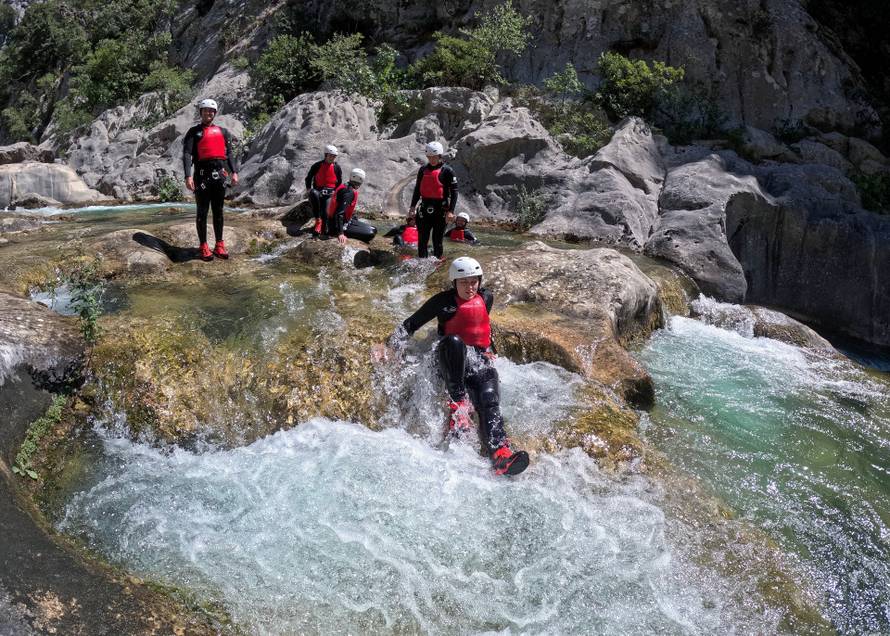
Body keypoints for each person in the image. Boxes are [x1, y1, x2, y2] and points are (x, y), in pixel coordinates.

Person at [382, 256, 529, 476]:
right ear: (454, 283)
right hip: (449, 360)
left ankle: (501, 454)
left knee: (489, 399)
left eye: (474, 282)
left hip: (477, 360)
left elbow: (480, 326)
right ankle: (458, 403)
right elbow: (411, 324)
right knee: (454, 341)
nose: (470, 287)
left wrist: (490, 348)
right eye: (464, 282)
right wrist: (389, 346)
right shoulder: (443, 302)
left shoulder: (486, 297)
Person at [183, 98, 240, 261]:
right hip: (201, 176)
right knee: (202, 212)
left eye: (211, 111)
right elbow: (187, 154)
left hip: (220, 176)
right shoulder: (194, 132)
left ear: (215, 113)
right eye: (205, 110)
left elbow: (229, 154)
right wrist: (188, 175)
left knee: (218, 211)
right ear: (201, 112)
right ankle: (203, 246)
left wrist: (234, 172)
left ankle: (219, 244)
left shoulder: (223, 132)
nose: (209, 113)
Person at [409, 141, 457, 260]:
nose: (431, 159)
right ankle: (421, 264)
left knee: (437, 241)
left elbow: (454, 192)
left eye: (434, 157)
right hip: (424, 210)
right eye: (429, 157)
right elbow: (417, 190)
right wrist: (412, 207)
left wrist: (451, 211)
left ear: (440, 156)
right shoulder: (422, 170)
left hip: (440, 211)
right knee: (422, 241)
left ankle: (437, 265)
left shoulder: (448, 171)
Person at [324, 168, 377, 244]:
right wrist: (340, 233)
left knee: (374, 229)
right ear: (361, 181)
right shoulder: (349, 192)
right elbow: (339, 213)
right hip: (335, 226)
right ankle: (336, 232)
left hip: (345, 221)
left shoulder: (346, 186)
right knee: (371, 233)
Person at [305, 145, 343, 235]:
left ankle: (323, 227)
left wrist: (336, 192)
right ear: (326, 155)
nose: (332, 158)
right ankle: (318, 220)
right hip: (318, 192)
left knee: (326, 214)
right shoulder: (317, 165)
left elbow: (339, 182)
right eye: (330, 156)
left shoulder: (337, 167)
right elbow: (308, 178)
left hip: (330, 194)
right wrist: (308, 189)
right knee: (313, 193)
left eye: (334, 156)